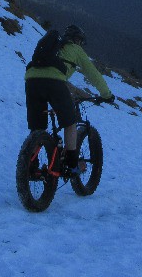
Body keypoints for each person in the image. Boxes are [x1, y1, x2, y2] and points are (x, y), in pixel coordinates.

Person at [24, 24, 114, 175]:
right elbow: (93, 74)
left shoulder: (53, 47)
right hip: (54, 83)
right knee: (70, 122)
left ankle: (29, 165)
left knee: (37, 127)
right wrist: (106, 94)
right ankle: (72, 164)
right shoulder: (76, 49)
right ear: (77, 40)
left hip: (31, 81)